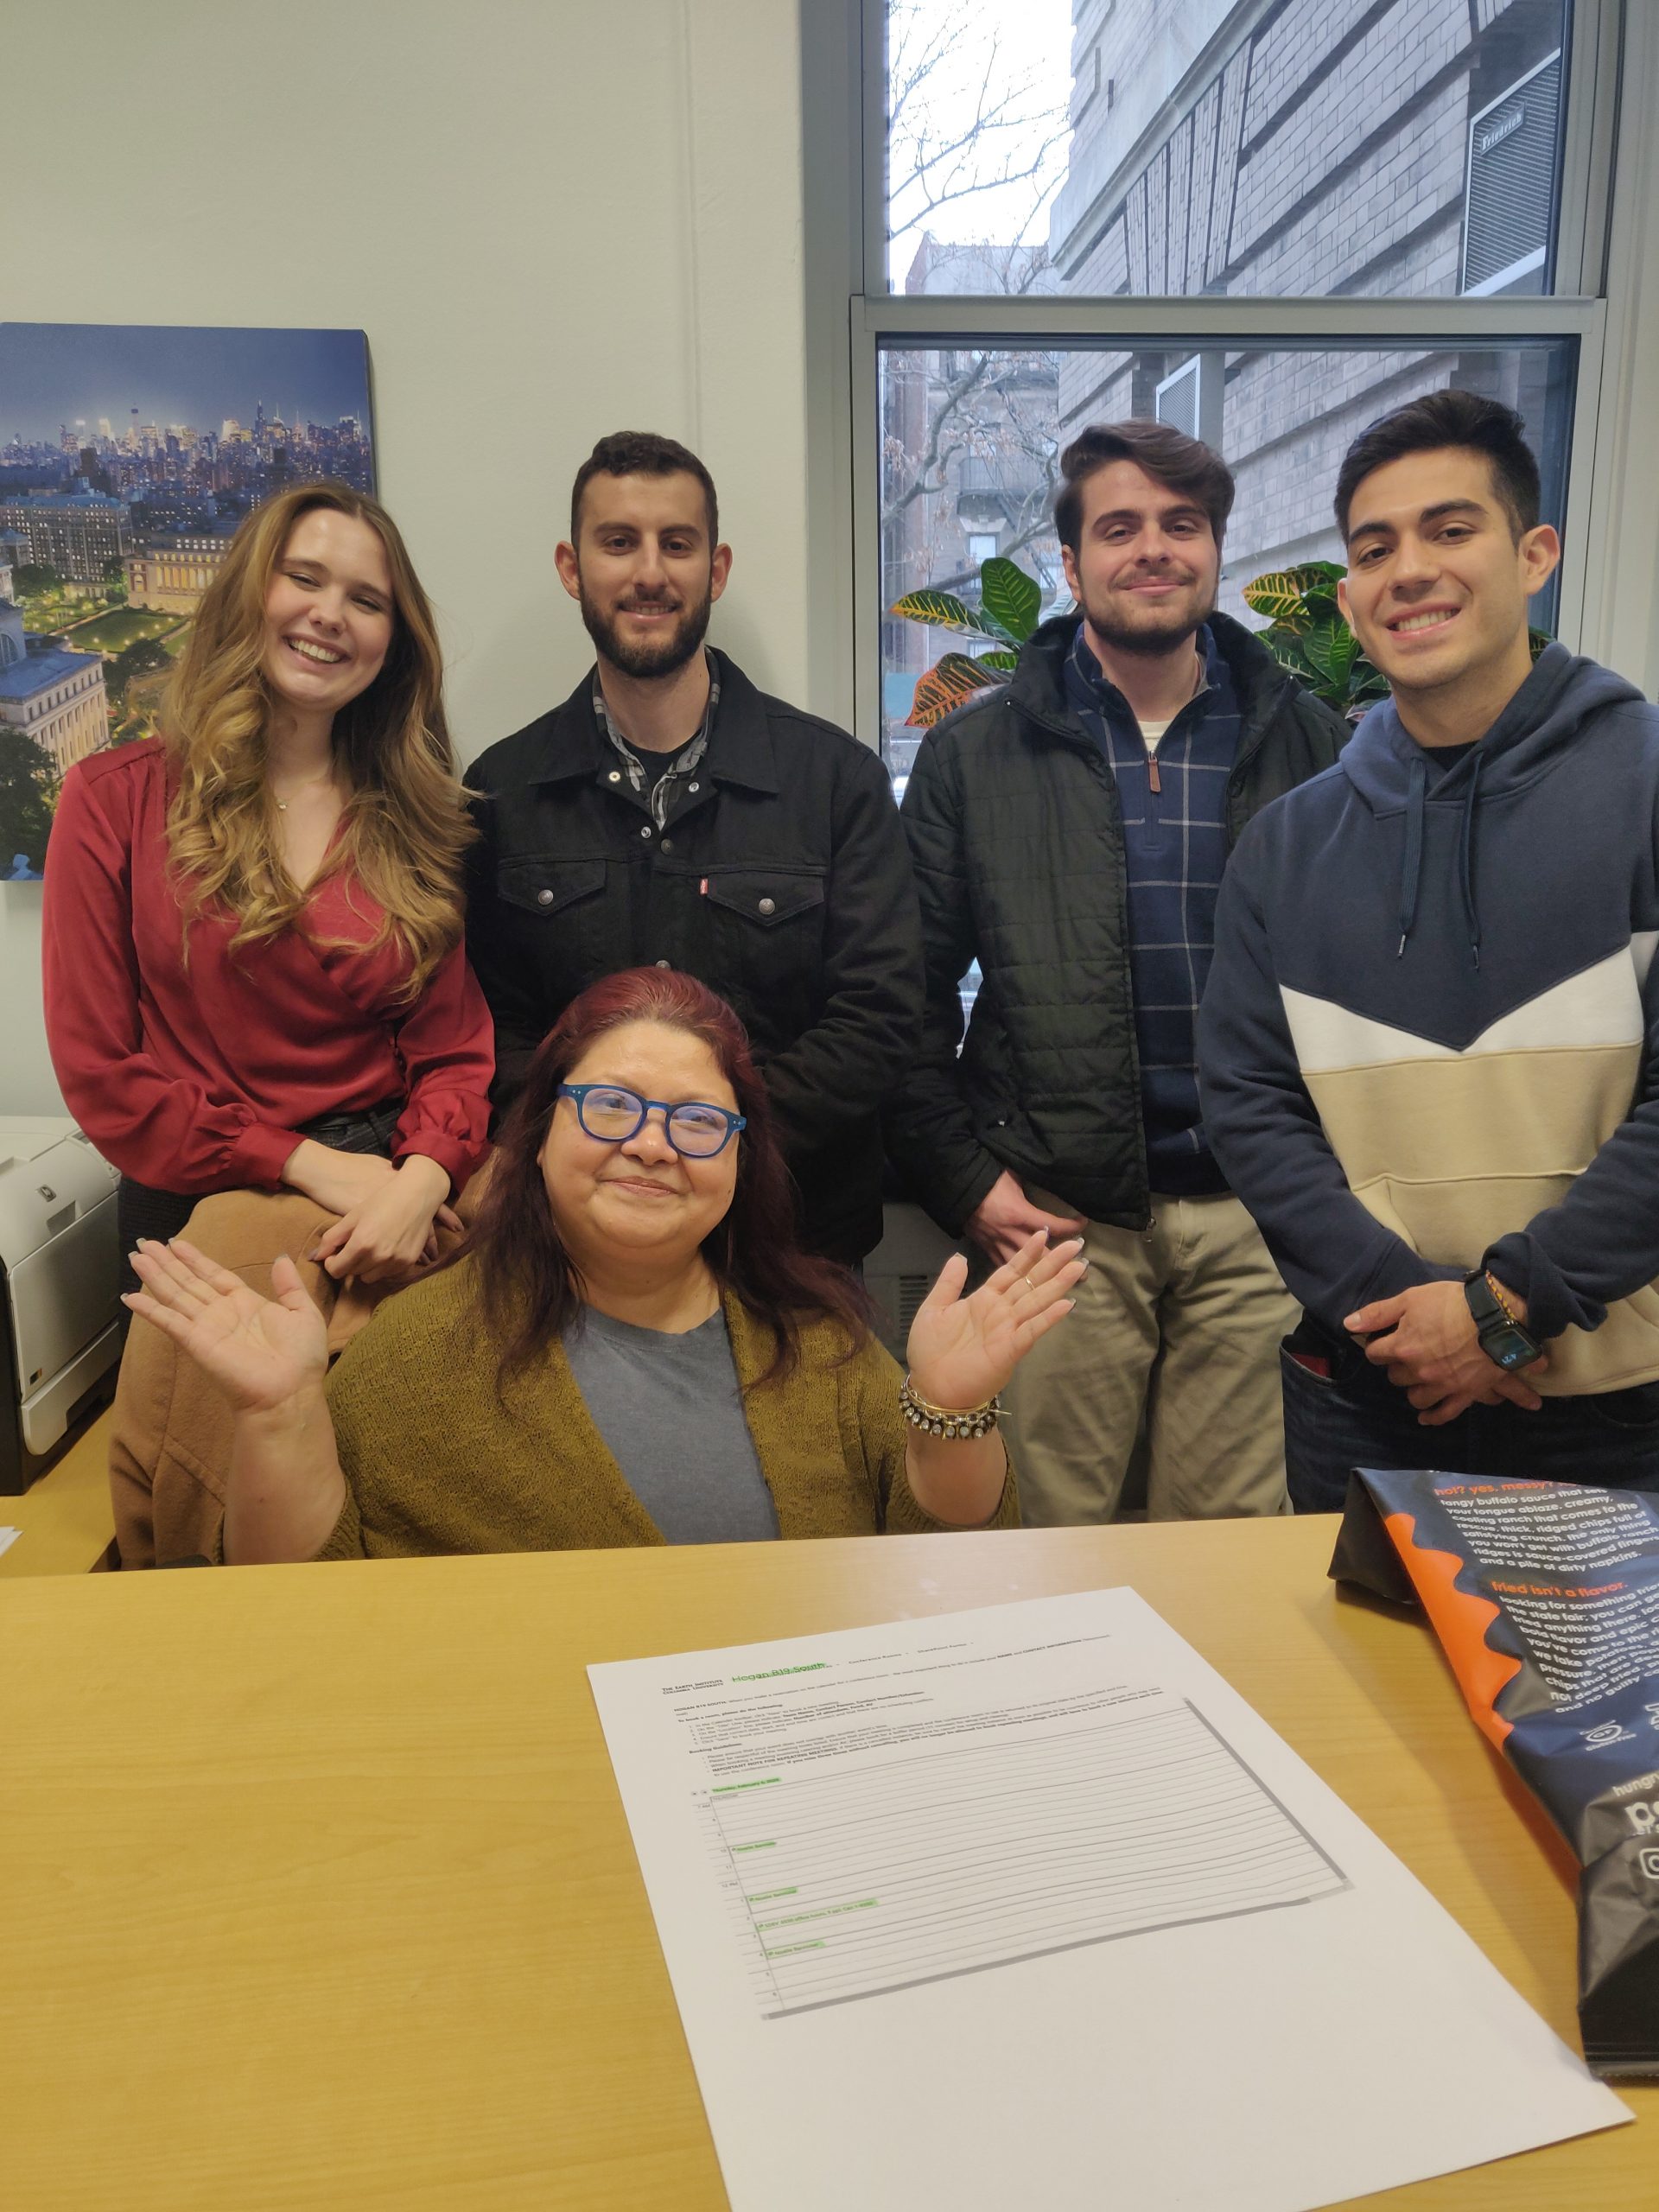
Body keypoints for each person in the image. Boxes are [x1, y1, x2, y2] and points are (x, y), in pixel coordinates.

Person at [123, 969, 1084, 1563]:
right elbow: (298, 1603)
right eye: (613, 1108)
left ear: (740, 1158)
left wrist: (952, 1408)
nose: (656, 1147)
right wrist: (280, 1417)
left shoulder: (820, 1337)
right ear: (538, 1134)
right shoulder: (414, 1355)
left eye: (699, 1122)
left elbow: (955, 1566)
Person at [1198, 389, 1659, 1509]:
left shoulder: (1645, 787)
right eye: (1375, 546)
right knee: (1344, 1685)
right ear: (1350, 596)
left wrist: (1505, 1310)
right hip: (1371, 1389)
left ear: (1533, 552)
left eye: (1451, 530)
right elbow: (1249, 1104)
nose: (1410, 569)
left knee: (1598, 1693)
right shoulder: (1288, 845)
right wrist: (1416, 1319)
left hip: (1618, 1407)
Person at [886, 420, 1346, 1527]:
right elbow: (898, 996)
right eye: (1120, 526)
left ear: (1217, 549)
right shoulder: (973, 755)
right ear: (1074, 559)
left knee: (1229, 1555)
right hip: (1057, 1220)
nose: (1154, 549)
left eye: (1182, 525)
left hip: (1254, 1220)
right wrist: (966, 1181)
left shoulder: (1312, 743)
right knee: (1041, 1541)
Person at [462, 431, 921, 1265]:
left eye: (677, 544)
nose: (649, 573)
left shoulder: (835, 781)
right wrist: (606, 1147)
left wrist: (704, 1139)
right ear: (572, 568)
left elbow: (880, 1019)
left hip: (793, 1242)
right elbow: (488, 1023)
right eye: (618, 542)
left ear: (716, 570)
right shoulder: (503, 789)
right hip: (575, 1244)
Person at [42, 483, 493, 1289]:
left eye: (366, 600)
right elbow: (101, 1072)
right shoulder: (112, 799)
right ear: (248, 593)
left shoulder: (414, 811)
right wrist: (310, 1165)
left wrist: (425, 1177)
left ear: (392, 642)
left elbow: (453, 1047)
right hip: (203, 1207)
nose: (330, 614)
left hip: (392, 1201)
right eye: (305, 578)